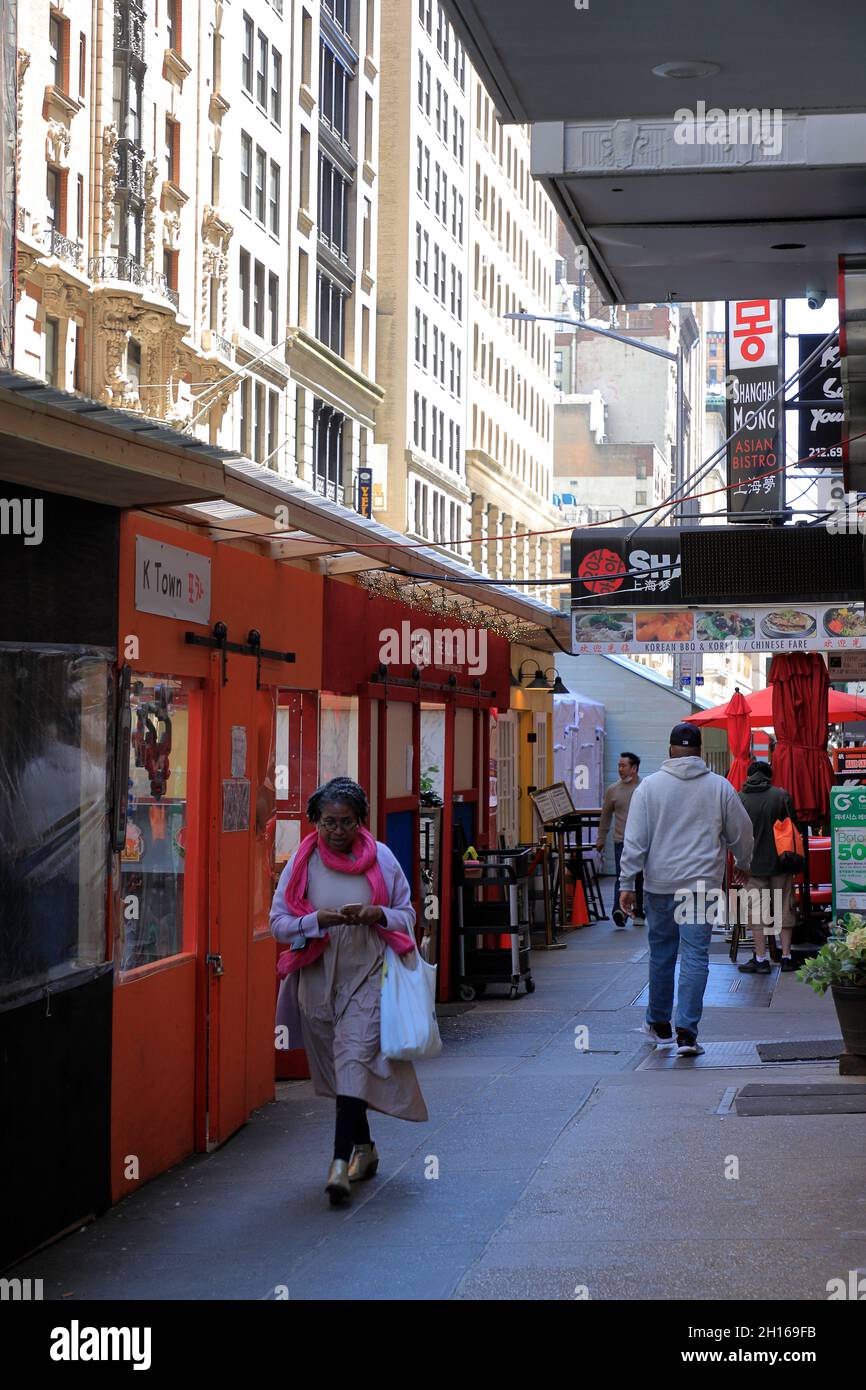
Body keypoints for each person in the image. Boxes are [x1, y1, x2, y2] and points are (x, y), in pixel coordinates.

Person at [270, 777, 428, 1206]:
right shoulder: (300, 865)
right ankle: (366, 1148)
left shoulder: (383, 860)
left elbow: (407, 915)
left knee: (354, 1056)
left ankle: (339, 1163)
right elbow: (278, 922)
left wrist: (377, 913)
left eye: (345, 822)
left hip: (368, 970)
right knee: (340, 1070)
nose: (337, 831)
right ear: (315, 823)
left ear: (361, 822)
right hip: (318, 976)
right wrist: (315, 921)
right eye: (328, 823)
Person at [618, 723, 754, 1057]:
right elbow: (742, 830)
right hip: (701, 887)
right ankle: (686, 1034)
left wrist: (625, 882)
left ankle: (659, 1024)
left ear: (669, 751)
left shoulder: (648, 788)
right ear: (700, 752)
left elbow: (635, 841)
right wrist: (744, 861)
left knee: (662, 954)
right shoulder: (719, 787)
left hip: (660, 886)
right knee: (695, 956)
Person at [735, 760, 798, 974]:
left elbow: (736, 834)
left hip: (751, 866)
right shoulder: (781, 796)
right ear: (769, 776)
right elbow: (793, 826)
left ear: (749, 776)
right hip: (782, 863)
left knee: (756, 912)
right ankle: (787, 957)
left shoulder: (740, 799)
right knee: (784, 908)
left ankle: (761, 959)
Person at [596, 752, 644, 928]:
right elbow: (606, 816)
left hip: (641, 841)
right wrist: (601, 838)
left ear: (634, 768)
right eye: (619, 766)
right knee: (621, 875)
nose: (620, 769)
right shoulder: (613, 790)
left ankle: (639, 911)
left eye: (624, 766)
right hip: (621, 841)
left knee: (639, 876)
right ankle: (620, 911)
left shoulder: (644, 787)